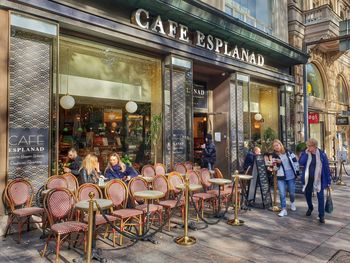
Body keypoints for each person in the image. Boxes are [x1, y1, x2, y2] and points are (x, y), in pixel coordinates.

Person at [299, 138, 331, 224]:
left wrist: (328, 181)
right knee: (307, 194)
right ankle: (310, 207)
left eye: (310, 146)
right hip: (308, 179)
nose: (308, 147)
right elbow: (301, 162)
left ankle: (321, 215)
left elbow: (326, 168)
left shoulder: (322, 155)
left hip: (319, 179)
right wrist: (305, 154)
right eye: (307, 146)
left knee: (320, 197)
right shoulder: (305, 153)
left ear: (314, 146)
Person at [271, 139, 299, 217]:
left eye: (277, 145)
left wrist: (297, 172)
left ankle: (292, 202)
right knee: (282, 193)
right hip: (281, 176)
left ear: (280, 145)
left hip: (291, 176)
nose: (276, 147)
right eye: (274, 146)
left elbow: (295, 162)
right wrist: (276, 165)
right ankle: (284, 209)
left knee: (292, 192)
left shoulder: (288, 152)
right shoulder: (274, 155)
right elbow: (275, 168)